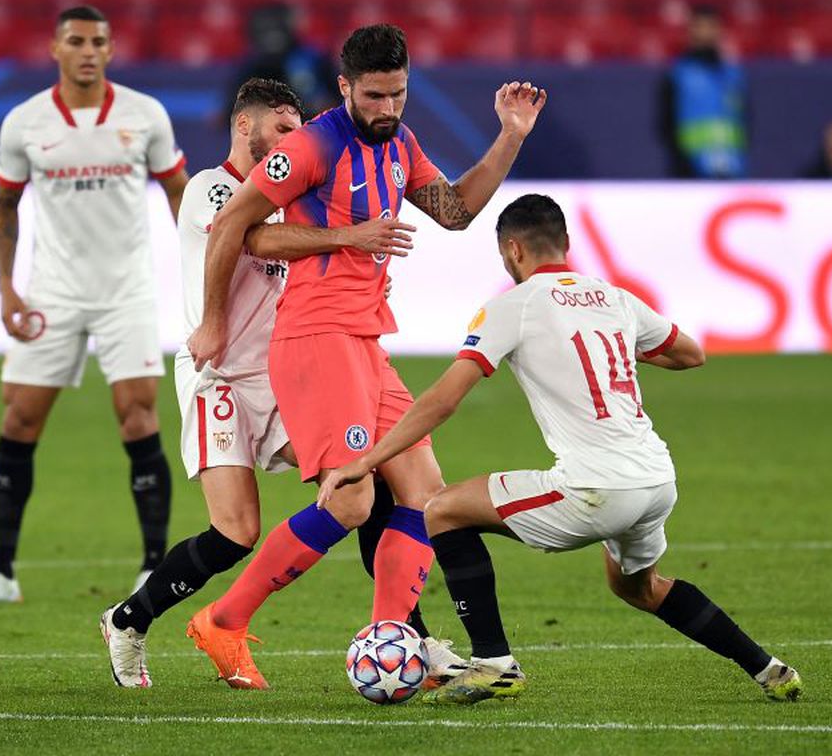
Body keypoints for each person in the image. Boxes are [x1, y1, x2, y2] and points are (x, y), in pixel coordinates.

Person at [319, 194, 805, 705]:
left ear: (511, 251)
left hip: (596, 485)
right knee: (639, 588)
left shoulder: (513, 306)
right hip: (656, 479)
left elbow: (443, 399)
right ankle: (769, 668)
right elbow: (691, 354)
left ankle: (493, 664)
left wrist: (367, 460)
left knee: (442, 509)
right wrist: (612, 344)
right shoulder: (614, 297)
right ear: (566, 245)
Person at [183, 24, 547, 689]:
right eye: (375, 96)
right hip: (315, 338)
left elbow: (458, 210)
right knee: (351, 502)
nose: (388, 109)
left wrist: (511, 137)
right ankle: (225, 619)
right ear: (346, 87)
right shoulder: (312, 144)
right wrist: (214, 319)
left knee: (425, 494)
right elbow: (240, 227)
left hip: (366, 338)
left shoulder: (401, 143)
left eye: (398, 94)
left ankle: (389, 635)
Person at [97, 77, 461, 688]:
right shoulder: (211, 189)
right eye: (284, 130)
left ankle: (409, 640)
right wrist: (342, 241)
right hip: (220, 377)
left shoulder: (290, 196)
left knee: (362, 478)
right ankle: (129, 621)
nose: (295, 142)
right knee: (235, 531)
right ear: (246, 126)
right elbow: (247, 236)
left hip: (283, 371)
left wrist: (360, 277)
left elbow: (309, 256)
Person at [0, 6, 190, 606]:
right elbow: (5, 207)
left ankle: (151, 566)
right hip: (52, 291)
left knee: (139, 415)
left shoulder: (145, 115)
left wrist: (199, 269)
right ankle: (0, 573)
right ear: (55, 47)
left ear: (111, 50)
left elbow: (179, 192)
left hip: (125, 290)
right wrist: (7, 289)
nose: (89, 51)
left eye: (99, 42)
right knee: (19, 419)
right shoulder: (25, 122)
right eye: (77, 41)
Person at [657, 5, 749, 179]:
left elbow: (745, 121)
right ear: (690, 32)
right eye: (701, 27)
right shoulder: (677, 75)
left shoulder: (734, 74)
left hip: (732, 168)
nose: (706, 33)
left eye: (711, 27)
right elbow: (666, 125)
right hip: (690, 170)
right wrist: (681, 163)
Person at [226, 2, 341, 121]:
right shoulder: (250, 66)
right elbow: (233, 112)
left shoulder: (315, 58)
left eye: (277, 27)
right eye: (266, 29)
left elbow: (339, 100)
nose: (273, 37)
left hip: (313, 129)